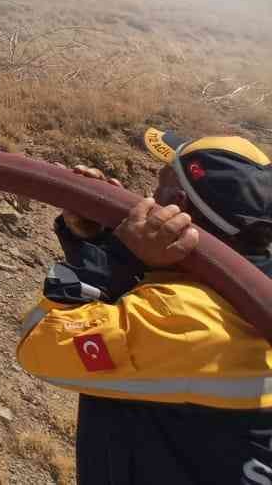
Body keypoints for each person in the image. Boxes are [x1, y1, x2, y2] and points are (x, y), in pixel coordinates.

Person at [15, 128, 272, 484]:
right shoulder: (249, 292)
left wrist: (119, 255)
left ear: (176, 207)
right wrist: (98, 238)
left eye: (157, 186)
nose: (146, 198)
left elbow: (39, 345)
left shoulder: (180, 320)